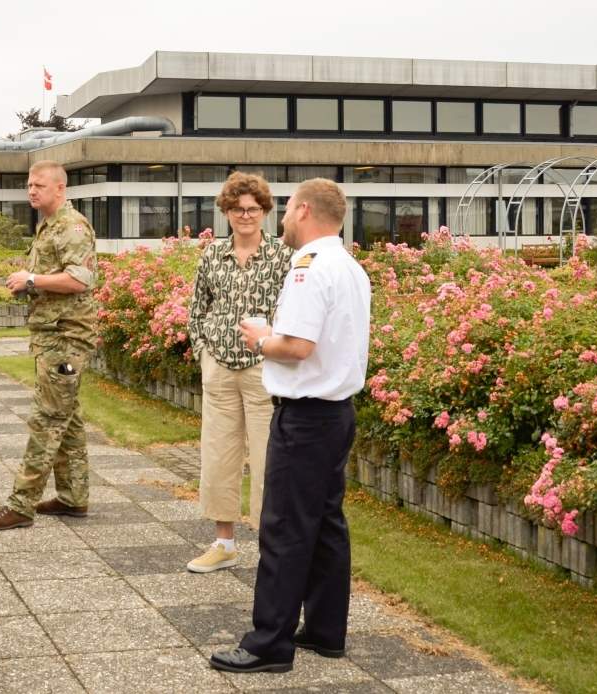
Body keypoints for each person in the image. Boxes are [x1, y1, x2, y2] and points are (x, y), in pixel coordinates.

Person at [210, 178, 370, 674]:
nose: (280, 220)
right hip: (336, 412)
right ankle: (325, 631)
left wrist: (261, 338)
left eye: (285, 211)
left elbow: (297, 346)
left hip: (304, 417)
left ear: (302, 211)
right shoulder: (349, 266)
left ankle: (268, 643)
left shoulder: (307, 268)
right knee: (325, 524)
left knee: (283, 528)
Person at [0, 160, 97, 530]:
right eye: (29, 185)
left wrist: (31, 279)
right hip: (52, 335)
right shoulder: (48, 226)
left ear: (60, 189)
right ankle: (73, 497)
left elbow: (80, 280)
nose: (32, 190)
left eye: (39, 185)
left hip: (66, 338)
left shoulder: (72, 228)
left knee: (47, 420)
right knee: (68, 418)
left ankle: (21, 504)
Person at [186, 172, 292, 573]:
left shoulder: (283, 257)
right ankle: (224, 543)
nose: (244, 215)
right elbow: (198, 309)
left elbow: (295, 313)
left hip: (266, 369)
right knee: (219, 454)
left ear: (264, 211)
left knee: (270, 459)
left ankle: (271, 547)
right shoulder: (212, 255)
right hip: (219, 368)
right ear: (227, 212)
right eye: (236, 209)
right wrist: (203, 352)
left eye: (252, 209)